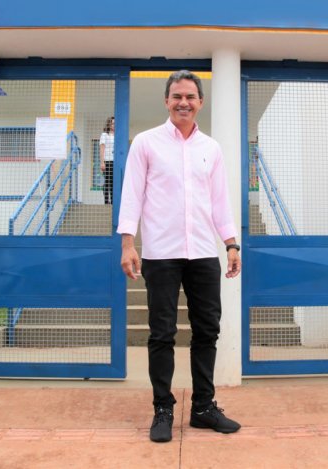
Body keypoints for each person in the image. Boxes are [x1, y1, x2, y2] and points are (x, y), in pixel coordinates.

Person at [118, 70, 242, 443]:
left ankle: (203, 408)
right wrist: (128, 244)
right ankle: (163, 409)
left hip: (203, 252)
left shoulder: (211, 148)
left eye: (190, 96)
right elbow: (131, 194)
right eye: (176, 96)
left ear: (200, 102)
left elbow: (219, 200)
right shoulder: (146, 143)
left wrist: (231, 243)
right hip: (161, 253)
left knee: (207, 330)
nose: (183, 102)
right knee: (162, 333)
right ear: (166, 101)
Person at [99, 116, 115, 204]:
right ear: (109, 124)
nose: (114, 125)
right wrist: (102, 162)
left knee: (113, 182)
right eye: (112, 123)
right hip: (107, 161)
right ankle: (106, 201)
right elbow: (102, 149)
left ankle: (113, 202)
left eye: (115, 124)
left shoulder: (118, 135)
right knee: (107, 182)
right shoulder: (104, 135)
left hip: (115, 161)